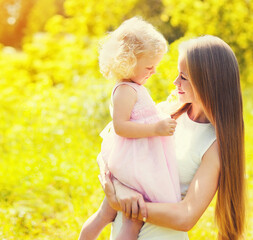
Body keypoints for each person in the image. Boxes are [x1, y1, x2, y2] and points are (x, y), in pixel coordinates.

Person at [100, 35, 246, 240]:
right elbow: (112, 152)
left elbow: (186, 216)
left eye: (184, 77)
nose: (175, 82)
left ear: (208, 83)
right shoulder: (162, 116)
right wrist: (120, 189)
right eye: (178, 74)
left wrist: (123, 205)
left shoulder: (214, 145)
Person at [78, 17, 181, 240]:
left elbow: (144, 115)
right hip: (132, 164)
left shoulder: (135, 88)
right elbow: (121, 127)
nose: (153, 71)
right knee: (130, 217)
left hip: (135, 160)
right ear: (128, 61)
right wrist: (156, 128)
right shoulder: (125, 90)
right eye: (149, 66)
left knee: (107, 214)